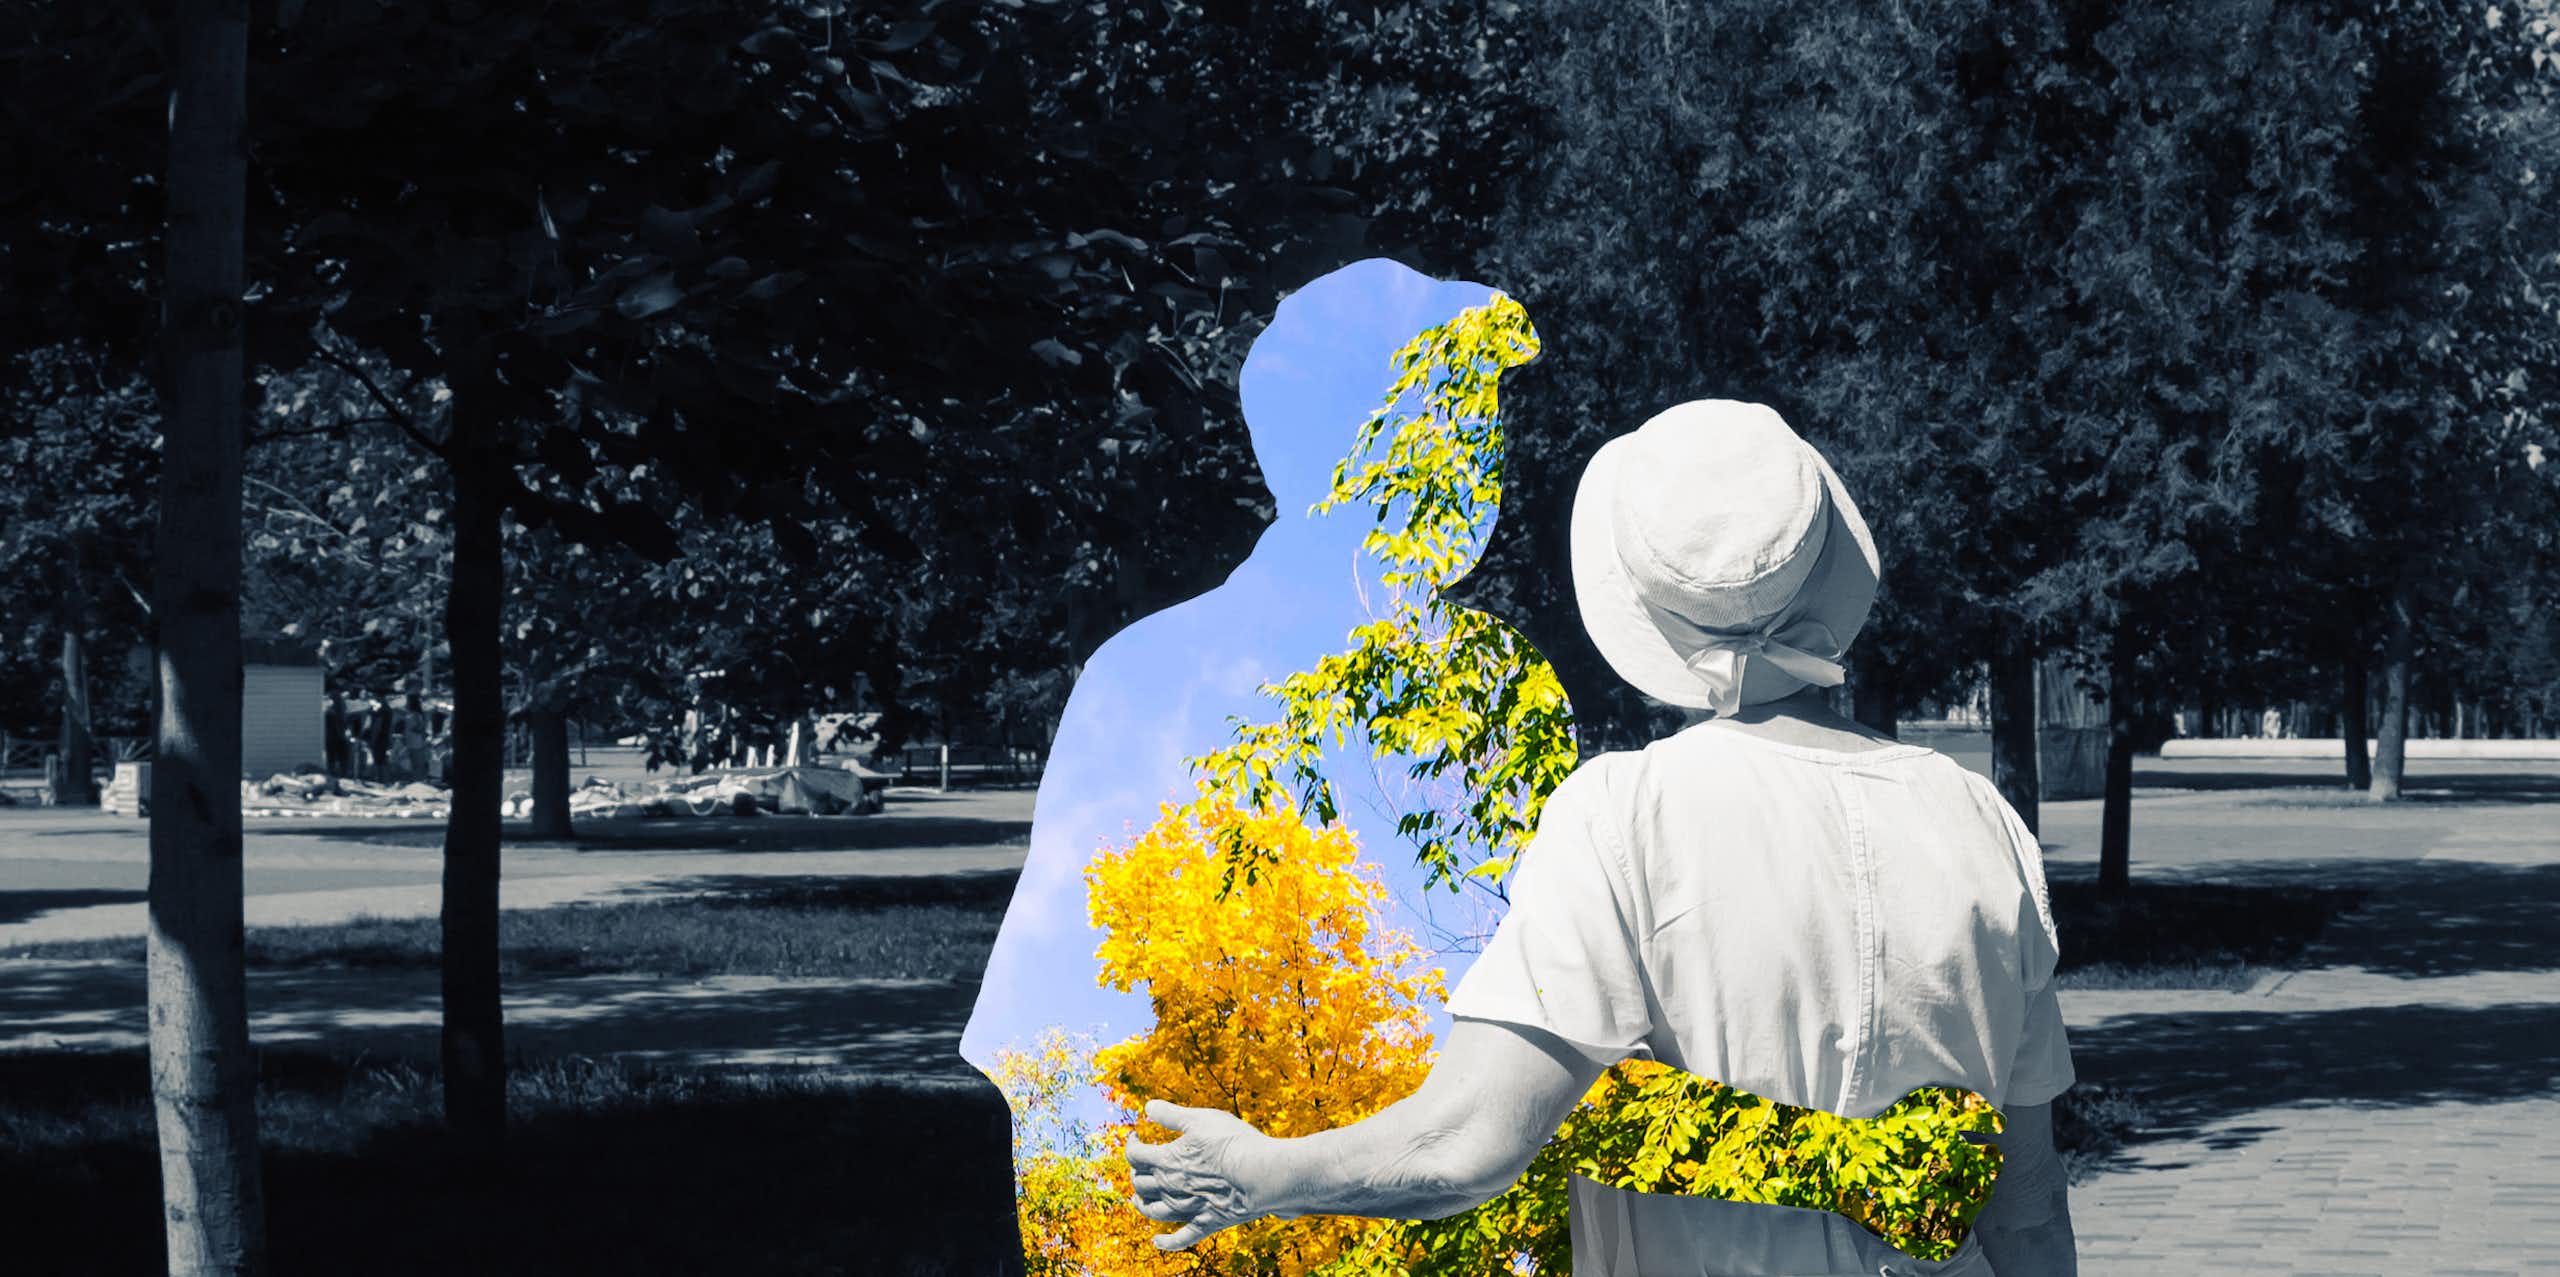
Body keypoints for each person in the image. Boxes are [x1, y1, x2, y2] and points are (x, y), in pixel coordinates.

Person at [1126, 400, 2079, 1275]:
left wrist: (1258, 1173)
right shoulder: (1980, 820)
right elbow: (2027, 1205)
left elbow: (1468, 1140)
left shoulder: (1626, 816)